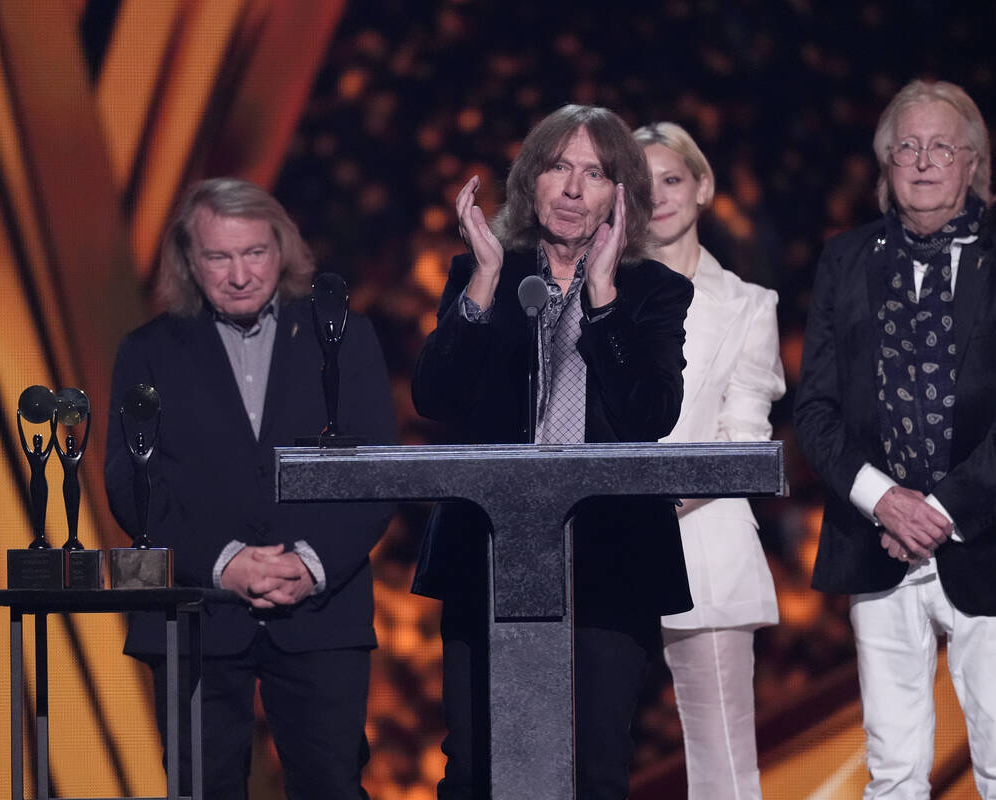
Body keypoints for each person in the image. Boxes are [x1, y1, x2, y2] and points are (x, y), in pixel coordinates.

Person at [794, 80, 996, 798]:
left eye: (940, 147)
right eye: (906, 147)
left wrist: (936, 512)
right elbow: (815, 408)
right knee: (892, 771)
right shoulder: (844, 262)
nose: (921, 162)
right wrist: (885, 502)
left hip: (991, 539)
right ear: (886, 165)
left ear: (972, 164)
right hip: (873, 544)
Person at [411, 104, 694, 800]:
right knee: (475, 769)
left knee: (596, 772)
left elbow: (649, 417)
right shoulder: (480, 274)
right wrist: (480, 283)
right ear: (530, 182)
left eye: (594, 172)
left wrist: (600, 298)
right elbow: (436, 398)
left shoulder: (653, 292)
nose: (572, 189)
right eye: (558, 167)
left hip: (610, 557)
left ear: (619, 193)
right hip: (488, 551)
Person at [104, 177, 397, 799]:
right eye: (219, 257)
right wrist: (224, 564)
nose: (240, 274)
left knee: (332, 788)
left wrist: (309, 564)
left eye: (254, 253)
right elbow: (134, 485)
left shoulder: (344, 339)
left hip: (323, 609)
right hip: (194, 612)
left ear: (281, 250)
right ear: (191, 261)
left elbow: (374, 476)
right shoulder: (147, 352)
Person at [634, 121, 785, 799]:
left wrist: (658, 508)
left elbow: (745, 443)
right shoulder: (590, 300)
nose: (659, 196)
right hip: (598, 548)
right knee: (590, 753)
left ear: (703, 188)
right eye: (642, 184)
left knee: (723, 765)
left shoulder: (750, 307)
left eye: (672, 178)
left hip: (709, 546)